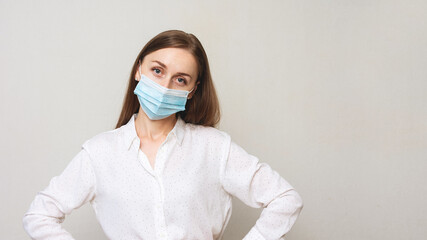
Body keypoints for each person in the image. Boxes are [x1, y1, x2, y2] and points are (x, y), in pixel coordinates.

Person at [22, 30, 303, 240]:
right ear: (138, 70)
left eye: (180, 79)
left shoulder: (214, 148)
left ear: (191, 90)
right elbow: (39, 215)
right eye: (157, 71)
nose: (165, 86)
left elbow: (285, 199)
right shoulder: (100, 152)